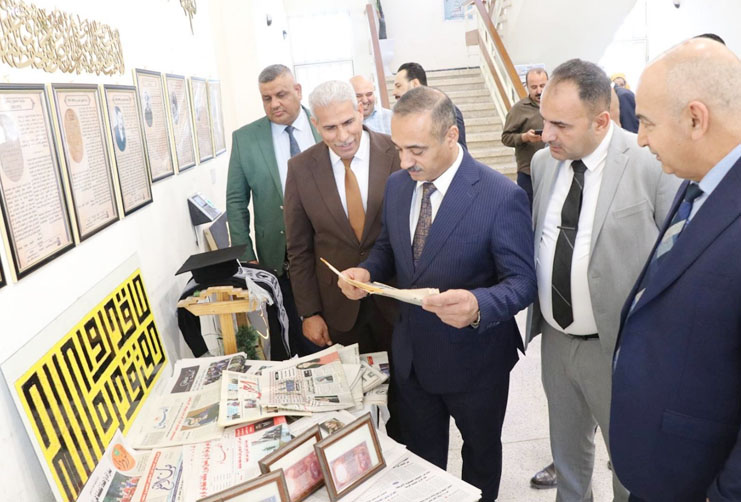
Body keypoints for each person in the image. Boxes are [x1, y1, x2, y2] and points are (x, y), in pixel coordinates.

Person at [338, 86, 536, 502]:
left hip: (476, 362)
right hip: (412, 359)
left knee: (480, 458)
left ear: (451, 136)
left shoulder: (500, 196)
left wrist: (479, 305)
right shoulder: (398, 186)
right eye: (399, 149)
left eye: (416, 150)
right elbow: (389, 249)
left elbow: (522, 281)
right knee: (422, 462)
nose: (404, 162)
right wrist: (366, 271)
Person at [527, 58, 680, 502]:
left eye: (560, 125)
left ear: (601, 121)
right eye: (544, 121)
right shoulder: (543, 164)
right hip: (556, 341)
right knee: (567, 457)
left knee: (629, 465)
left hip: (619, 348)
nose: (547, 134)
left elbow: (673, 262)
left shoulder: (650, 163)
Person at [611, 38, 741, 502]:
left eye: (646, 122)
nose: (640, 138)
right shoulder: (697, 182)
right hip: (660, 468)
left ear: (695, 119)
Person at [283, 80, 399, 353]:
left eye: (348, 122)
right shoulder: (300, 169)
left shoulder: (396, 153)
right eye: (330, 128)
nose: (343, 136)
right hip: (338, 309)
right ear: (315, 124)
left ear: (360, 110)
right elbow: (298, 249)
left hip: (396, 299)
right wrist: (309, 313)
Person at [226, 64, 321, 357]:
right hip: (279, 260)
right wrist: (246, 256)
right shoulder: (246, 139)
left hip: (328, 250)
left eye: (281, 95)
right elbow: (235, 201)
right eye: (266, 98)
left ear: (298, 91)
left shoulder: (323, 125)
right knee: (290, 339)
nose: (274, 104)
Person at [501, 67, 548, 207]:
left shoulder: (558, 105)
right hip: (528, 174)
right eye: (534, 87)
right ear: (527, 86)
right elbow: (506, 137)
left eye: (542, 86)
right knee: (528, 212)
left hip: (554, 169)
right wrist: (525, 137)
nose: (539, 91)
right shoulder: (518, 109)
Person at [392, 62, 467, 148]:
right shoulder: (404, 117)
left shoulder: (446, 110)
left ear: (415, 84)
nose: (394, 92)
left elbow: (458, 150)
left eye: (398, 86)